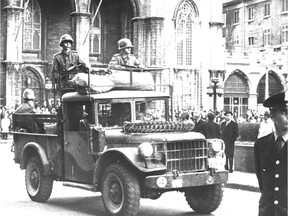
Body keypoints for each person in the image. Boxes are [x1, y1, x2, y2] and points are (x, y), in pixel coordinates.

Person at [254, 91, 287, 216]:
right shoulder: (261, 144)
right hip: (267, 211)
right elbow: (262, 181)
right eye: (284, 112)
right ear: (273, 116)